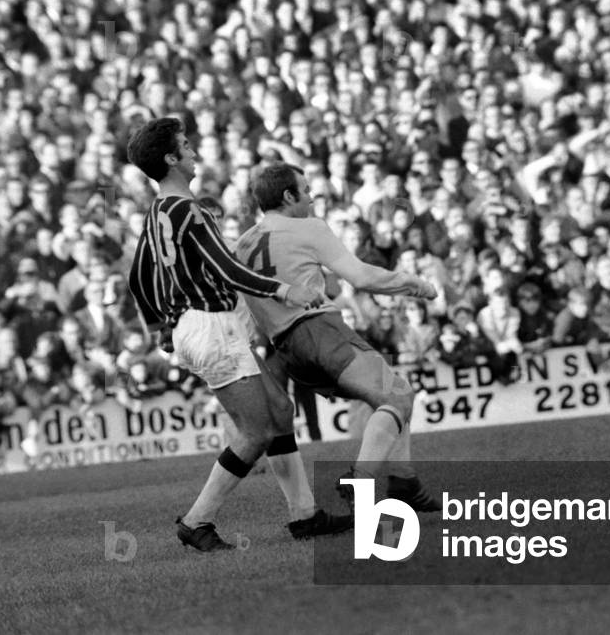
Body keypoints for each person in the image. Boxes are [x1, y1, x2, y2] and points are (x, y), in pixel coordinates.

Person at [125, 118, 349, 552]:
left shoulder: (156, 212)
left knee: (279, 410)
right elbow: (229, 270)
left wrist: (161, 327)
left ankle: (305, 515)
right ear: (171, 159)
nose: (193, 152)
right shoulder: (189, 210)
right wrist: (288, 290)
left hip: (197, 326)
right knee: (254, 432)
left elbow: (138, 277)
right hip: (211, 325)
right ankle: (197, 521)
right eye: (186, 146)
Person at [234, 163, 442, 513]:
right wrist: (413, 284)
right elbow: (359, 276)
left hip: (286, 350)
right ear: (288, 196)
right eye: (306, 189)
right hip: (318, 330)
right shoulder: (307, 227)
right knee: (398, 395)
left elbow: (246, 314)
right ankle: (361, 481)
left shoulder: (243, 244)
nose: (312, 197)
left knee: (393, 391)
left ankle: (404, 481)